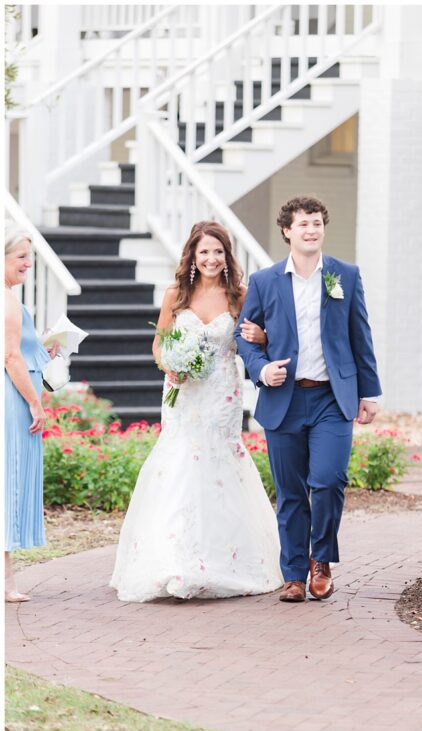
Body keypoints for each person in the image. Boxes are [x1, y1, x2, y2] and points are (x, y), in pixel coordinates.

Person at [110, 221, 283, 601]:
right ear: (192, 255)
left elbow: (256, 341)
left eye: (218, 252)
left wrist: (264, 338)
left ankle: (224, 561)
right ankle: (173, 561)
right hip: (183, 394)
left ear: (227, 256)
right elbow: (158, 343)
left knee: (218, 466)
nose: (211, 259)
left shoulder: (240, 295)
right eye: (204, 252)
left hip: (221, 394)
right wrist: (169, 364)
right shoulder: (176, 293)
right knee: (179, 466)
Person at [236, 196, 382, 603]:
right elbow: (244, 337)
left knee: (329, 480)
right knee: (291, 492)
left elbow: (360, 336)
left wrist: (369, 391)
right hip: (283, 398)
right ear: (287, 231)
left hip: (332, 398)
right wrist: (262, 369)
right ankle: (294, 575)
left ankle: (322, 559)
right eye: (303, 224)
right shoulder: (265, 282)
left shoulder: (345, 276)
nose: (311, 230)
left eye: (316, 223)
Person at [5, 228, 59, 602]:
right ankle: (6, 582)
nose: (27, 263)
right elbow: (10, 358)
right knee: (9, 481)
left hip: (13, 394)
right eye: (21, 257)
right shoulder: (7, 301)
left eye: (30, 257)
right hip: (12, 402)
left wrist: (44, 349)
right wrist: (35, 403)